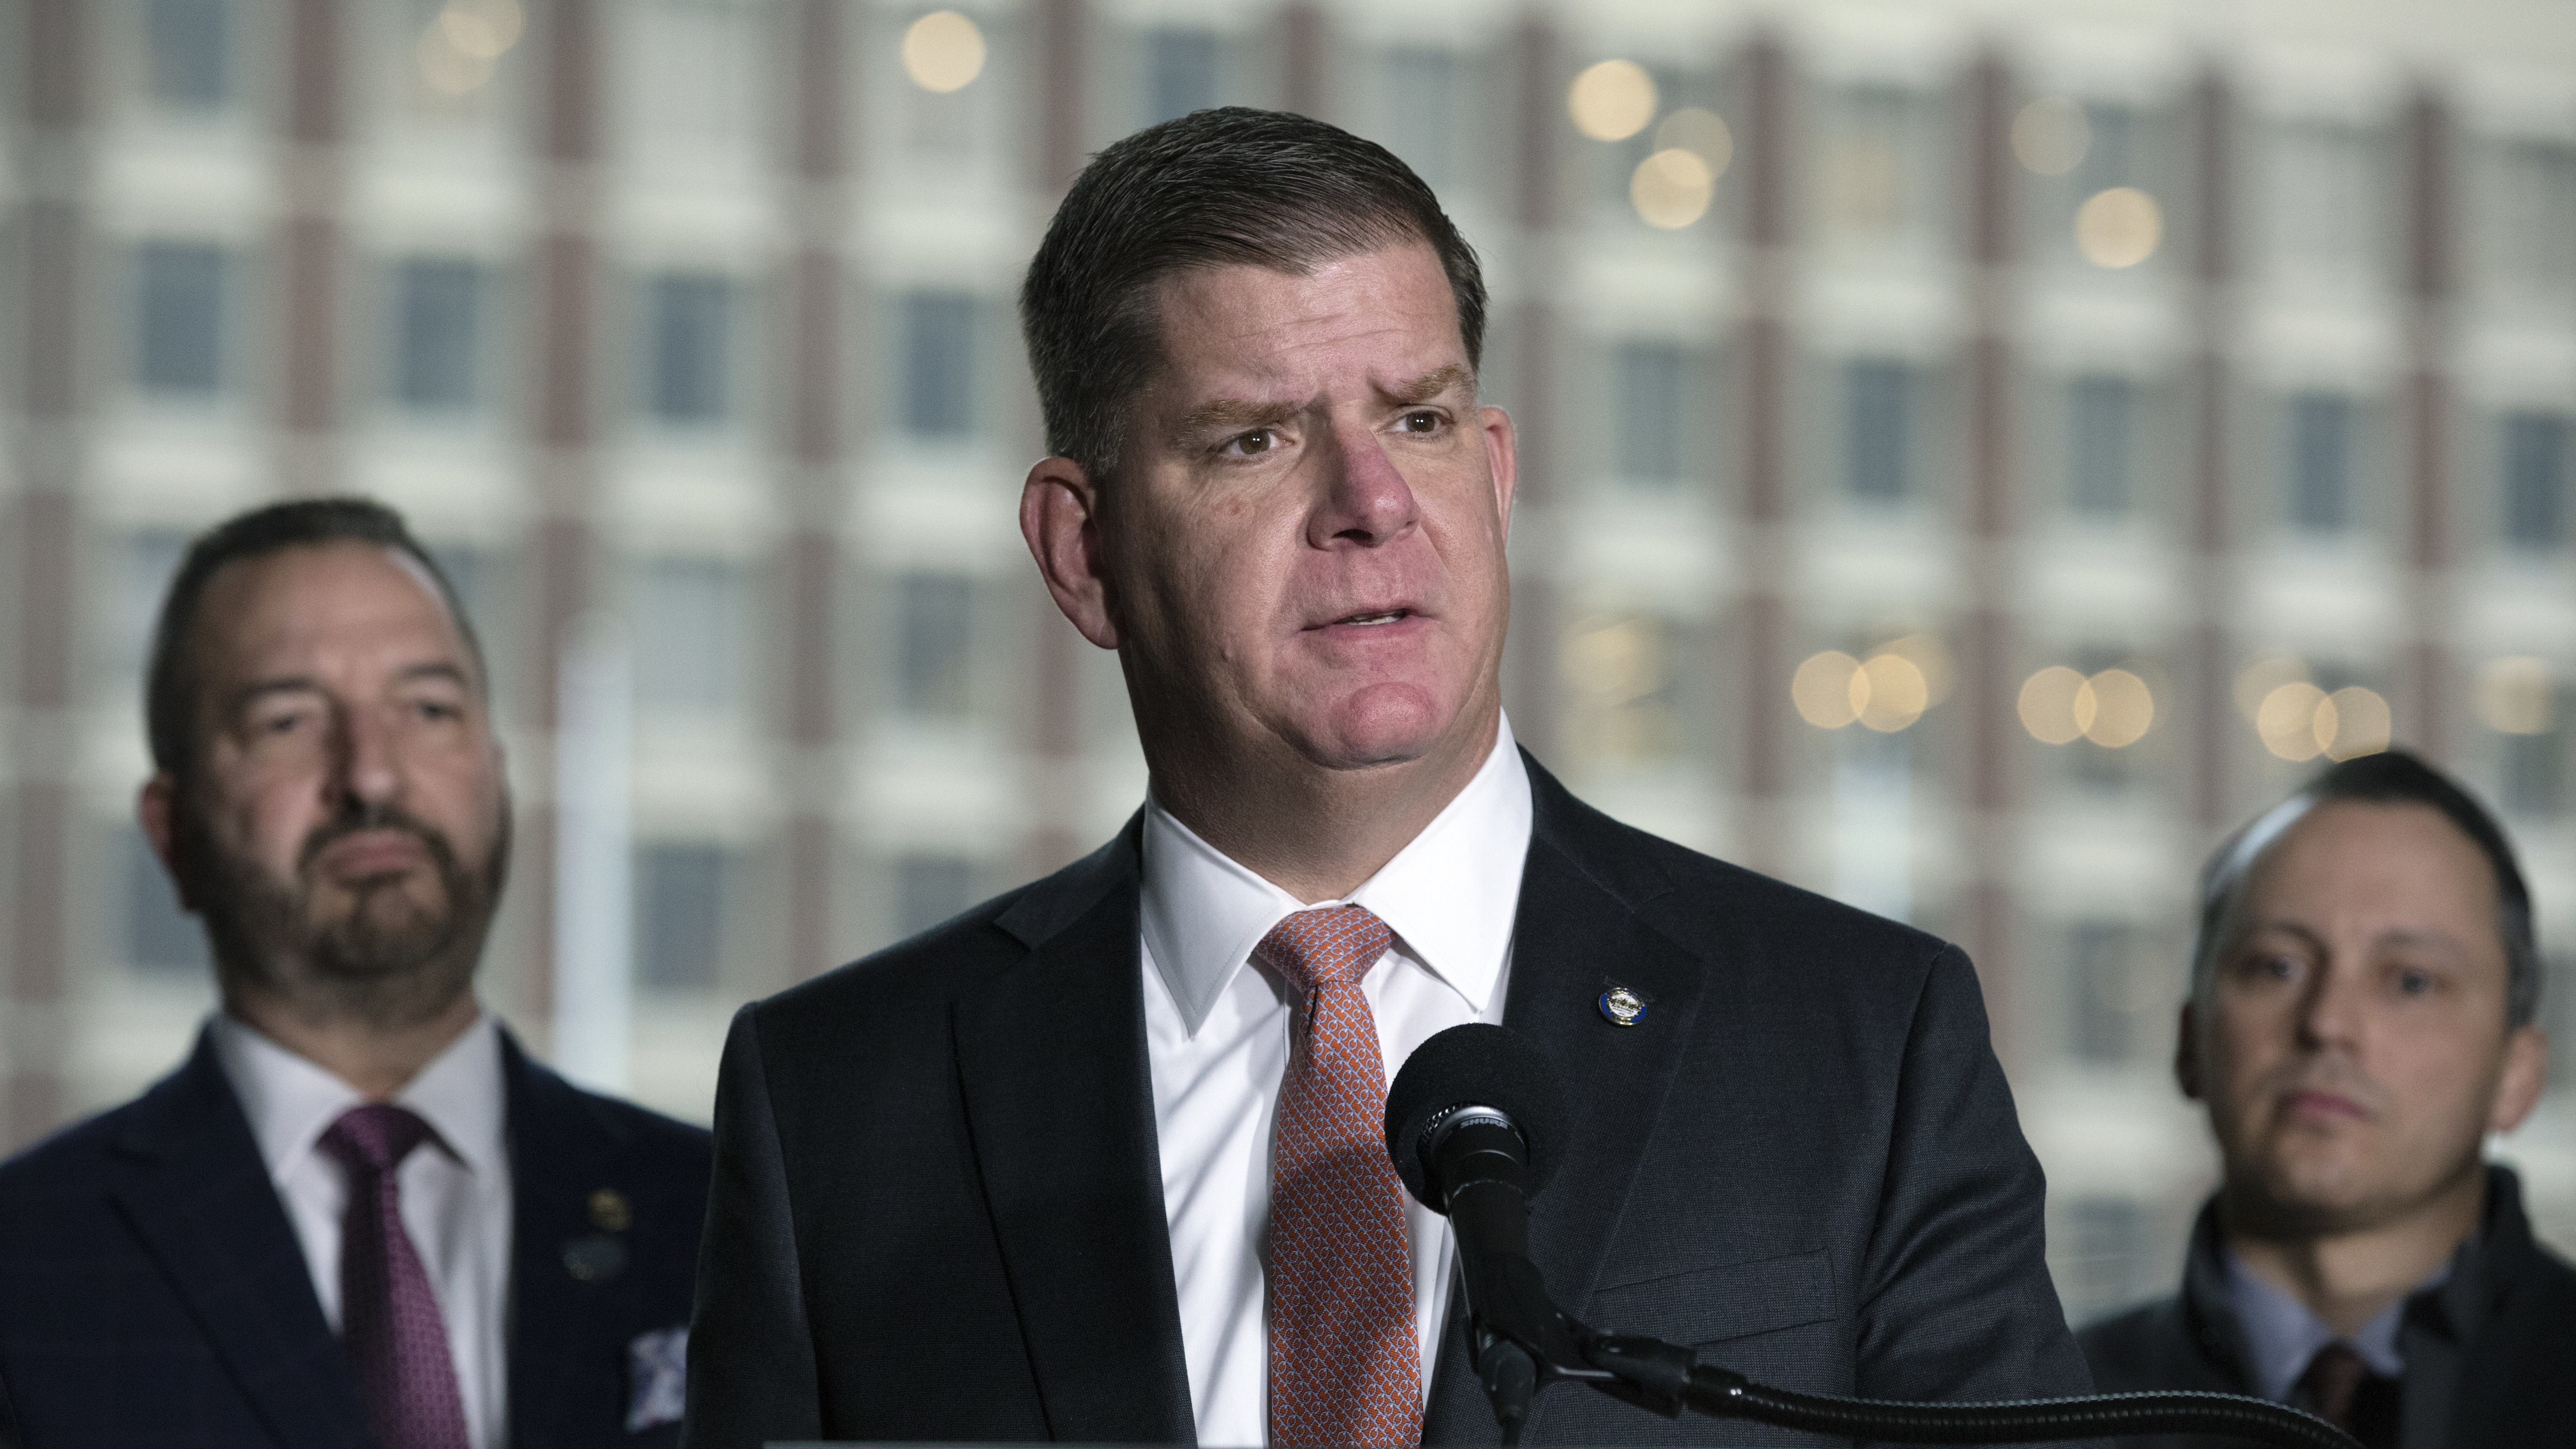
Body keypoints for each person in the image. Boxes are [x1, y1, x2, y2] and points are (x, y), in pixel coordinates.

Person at [682, 107, 2088, 1448]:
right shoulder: (840, 1107)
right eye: (1255, 438)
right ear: (1082, 552)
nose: (1371, 501)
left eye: (1417, 419)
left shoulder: (1863, 1042)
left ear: (1494, 471)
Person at [0, 499, 710, 1449]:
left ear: (495, 777)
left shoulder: (728, 1227)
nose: (372, 775)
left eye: (428, 709)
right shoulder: (26, 1264)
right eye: (288, 720)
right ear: (171, 831)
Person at [2079, 750, 2573, 1447]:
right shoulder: (2044, 1413)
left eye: (2410, 982)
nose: (2327, 1024)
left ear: (2518, 1077)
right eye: (2277, 966)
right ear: (2190, 1040)